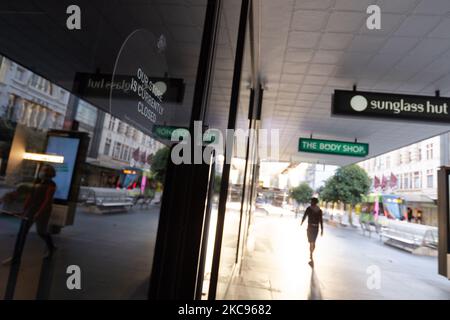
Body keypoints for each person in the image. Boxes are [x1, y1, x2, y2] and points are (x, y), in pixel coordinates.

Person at [1, 164, 57, 265]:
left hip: (43, 212)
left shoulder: (51, 184)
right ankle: (16, 258)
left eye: (44, 170)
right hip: (31, 210)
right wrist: (25, 209)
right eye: (42, 170)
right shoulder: (37, 181)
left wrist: (38, 213)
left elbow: (47, 200)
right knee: (22, 234)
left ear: (49, 173)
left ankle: (51, 247)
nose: (42, 172)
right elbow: (30, 196)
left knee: (41, 232)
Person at [301, 198, 323, 267]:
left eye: (311, 201)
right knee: (313, 242)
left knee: (311, 242)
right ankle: (311, 254)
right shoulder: (319, 210)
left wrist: (302, 222)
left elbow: (305, 216)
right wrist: (322, 229)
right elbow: (321, 220)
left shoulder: (309, 209)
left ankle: (311, 254)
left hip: (310, 228)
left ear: (314, 202)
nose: (310, 202)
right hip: (316, 228)